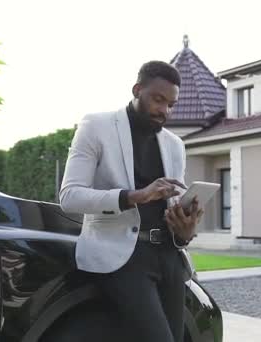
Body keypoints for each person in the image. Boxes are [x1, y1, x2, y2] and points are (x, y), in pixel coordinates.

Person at [59, 60, 204, 342]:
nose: (165, 110)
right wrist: (135, 196)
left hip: (169, 256)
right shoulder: (96, 126)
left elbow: (172, 208)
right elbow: (70, 196)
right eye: (158, 99)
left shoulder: (175, 144)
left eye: (171, 104)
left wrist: (186, 232)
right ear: (138, 89)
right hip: (121, 256)